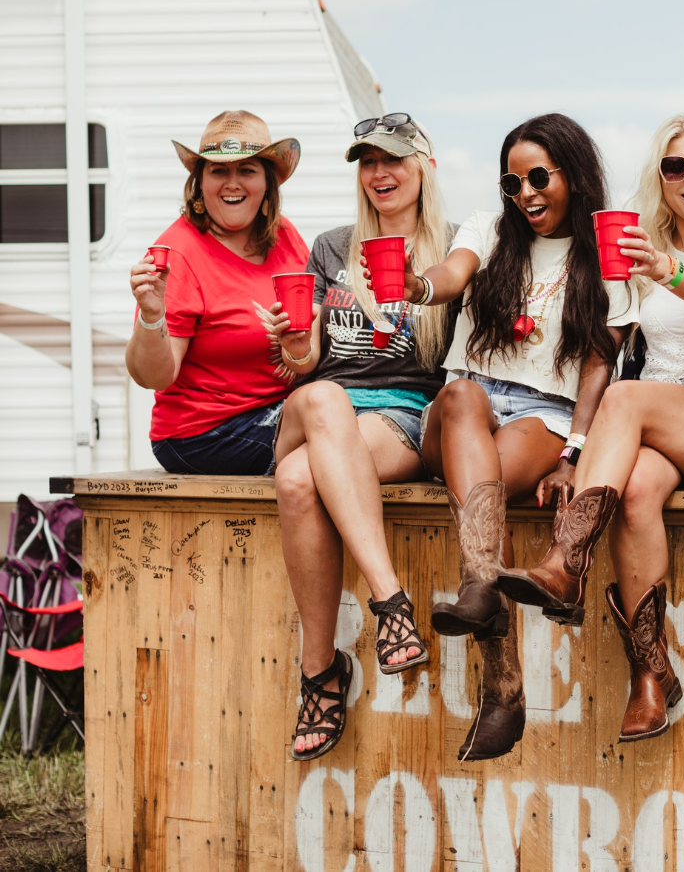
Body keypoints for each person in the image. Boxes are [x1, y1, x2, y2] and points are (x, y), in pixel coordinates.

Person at [496, 113, 684, 742]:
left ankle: (566, 564)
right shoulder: (637, 246)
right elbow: (605, 348)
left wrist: (667, 269)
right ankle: (652, 675)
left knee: (625, 400)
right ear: (660, 176)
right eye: (675, 165)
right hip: (656, 430)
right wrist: (573, 452)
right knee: (636, 495)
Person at [393, 113, 637, 762]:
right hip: (460, 402)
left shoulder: (602, 254)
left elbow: (597, 362)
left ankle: (498, 668)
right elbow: (451, 272)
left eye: (539, 177)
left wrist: (575, 454)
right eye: (513, 180)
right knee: (465, 397)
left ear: (574, 177)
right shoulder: (489, 231)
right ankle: (496, 659)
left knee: (485, 487)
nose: (525, 193)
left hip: (544, 415)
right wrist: (421, 285)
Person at [269, 115, 457, 761]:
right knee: (321, 395)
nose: (380, 173)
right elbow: (304, 361)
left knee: (298, 481)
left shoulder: (453, 252)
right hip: (319, 404)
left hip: (399, 417)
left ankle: (319, 674)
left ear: (423, 167)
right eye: (367, 162)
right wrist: (294, 342)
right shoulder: (330, 247)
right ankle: (389, 598)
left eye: (394, 160)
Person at [126, 111, 307, 475]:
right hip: (201, 434)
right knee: (327, 447)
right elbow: (153, 377)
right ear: (200, 181)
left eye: (247, 170)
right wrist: (151, 315)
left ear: (268, 183)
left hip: (280, 410)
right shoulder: (178, 252)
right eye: (219, 170)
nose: (232, 183)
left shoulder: (284, 236)